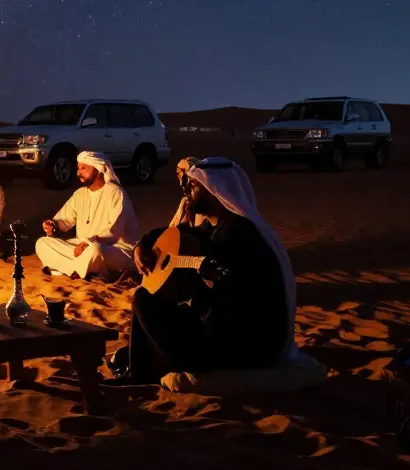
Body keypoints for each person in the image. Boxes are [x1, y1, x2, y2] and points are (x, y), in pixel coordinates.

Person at [107, 157, 298, 384]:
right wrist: (140, 248)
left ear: (214, 191)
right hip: (216, 326)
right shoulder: (210, 226)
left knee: (143, 299)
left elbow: (235, 297)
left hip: (241, 345)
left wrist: (203, 280)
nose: (187, 188)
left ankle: (140, 371)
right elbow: (163, 234)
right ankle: (139, 367)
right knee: (149, 301)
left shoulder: (241, 235)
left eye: (194, 184)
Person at [36, 151, 138, 279]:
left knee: (95, 250)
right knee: (42, 243)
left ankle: (66, 269)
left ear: (99, 170)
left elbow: (114, 231)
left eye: (84, 168)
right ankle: (79, 269)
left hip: (114, 249)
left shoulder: (116, 193)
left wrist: (89, 243)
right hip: (82, 248)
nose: (79, 172)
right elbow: (63, 220)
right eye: (78, 168)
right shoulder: (80, 194)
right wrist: (53, 226)